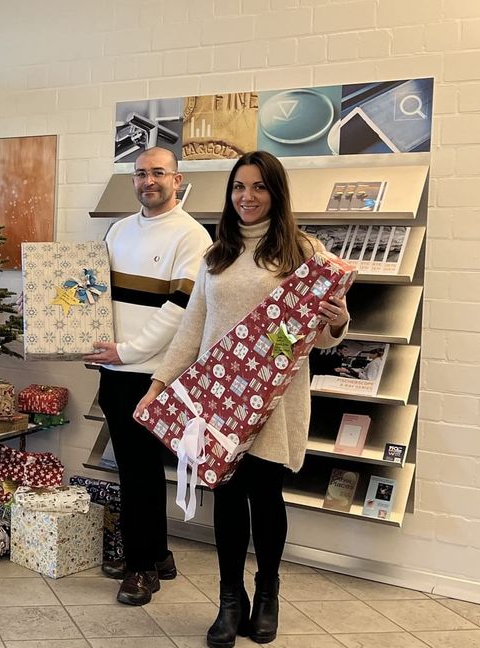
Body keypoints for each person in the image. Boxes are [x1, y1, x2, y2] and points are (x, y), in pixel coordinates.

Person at [136, 151, 350, 648]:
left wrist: (336, 320)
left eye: (258, 187)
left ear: (276, 193)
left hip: (276, 403)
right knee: (228, 499)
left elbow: (320, 336)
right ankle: (230, 601)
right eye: (238, 187)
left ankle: (267, 592)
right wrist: (160, 384)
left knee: (266, 498)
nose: (246, 197)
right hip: (217, 401)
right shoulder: (218, 253)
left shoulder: (304, 252)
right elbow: (192, 328)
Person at [85, 146, 212, 606]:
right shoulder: (119, 230)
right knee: (134, 467)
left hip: (153, 375)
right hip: (115, 369)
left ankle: (142, 569)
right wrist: (64, 328)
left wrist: (127, 351)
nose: (149, 181)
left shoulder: (192, 237)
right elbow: (91, 294)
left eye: (159, 172)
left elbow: (179, 312)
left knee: (138, 471)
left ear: (177, 180)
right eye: (140, 174)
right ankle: (156, 553)